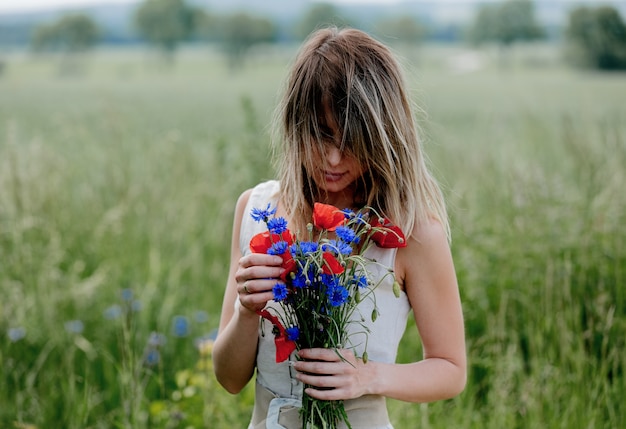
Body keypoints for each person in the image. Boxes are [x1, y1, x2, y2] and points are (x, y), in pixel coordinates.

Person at [212, 26, 466, 429]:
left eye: (351, 140)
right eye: (320, 135)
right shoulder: (255, 209)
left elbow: (451, 369)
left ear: (384, 137)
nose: (332, 158)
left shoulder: (412, 233)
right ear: (296, 125)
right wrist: (246, 311)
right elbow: (228, 379)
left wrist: (369, 376)